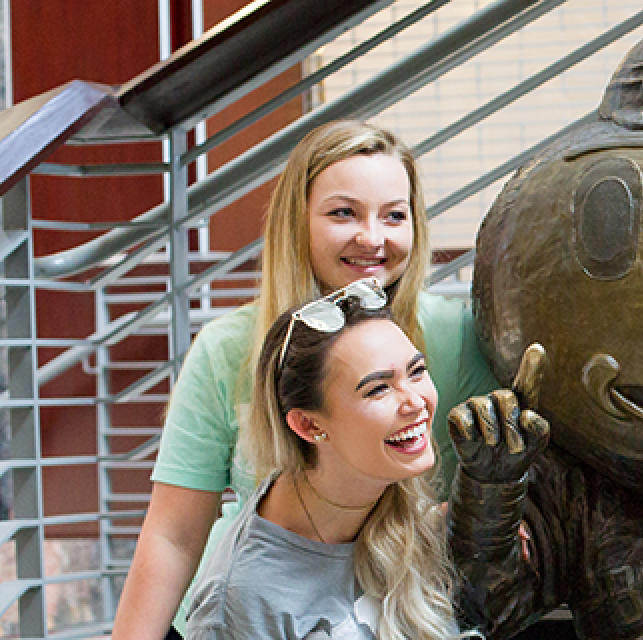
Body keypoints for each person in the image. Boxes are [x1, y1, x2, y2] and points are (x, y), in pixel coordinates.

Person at [114, 121, 498, 639]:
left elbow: (482, 490)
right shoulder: (228, 348)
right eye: (344, 213)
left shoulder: (455, 336)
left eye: (394, 215)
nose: (372, 237)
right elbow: (174, 534)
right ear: (299, 222)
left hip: (401, 612)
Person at [184, 279, 459, 638]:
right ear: (309, 425)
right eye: (378, 389)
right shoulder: (242, 602)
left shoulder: (388, 497)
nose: (416, 403)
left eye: (417, 371)